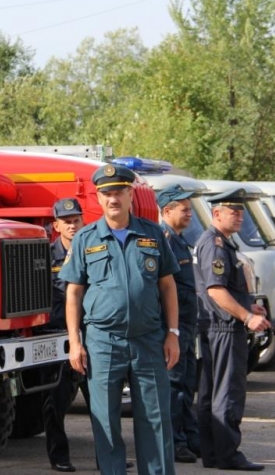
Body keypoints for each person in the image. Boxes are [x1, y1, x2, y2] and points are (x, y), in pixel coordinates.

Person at [60, 163, 181, 475]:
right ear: (98, 198)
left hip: (149, 340)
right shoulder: (86, 238)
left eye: (118, 192)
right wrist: (75, 343)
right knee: (106, 422)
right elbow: (73, 294)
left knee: (155, 419)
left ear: (130, 195)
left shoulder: (153, 234)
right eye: (106, 193)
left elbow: (167, 286)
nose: (113, 199)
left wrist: (173, 333)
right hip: (103, 342)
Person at [194, 188, 271, 472]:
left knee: (211, 392)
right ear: (217, 214)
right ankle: (228, 456)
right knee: (227, 392)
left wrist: (250, 308)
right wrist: (246, 317)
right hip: (223, 327)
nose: (240, 216)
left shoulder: (220, 242)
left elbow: (225, 288)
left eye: (241, 212)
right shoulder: (215, 244)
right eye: (233, 212)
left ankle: (214, 454)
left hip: (219, 325)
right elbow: (215, 290)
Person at [156, 184, 201, 464]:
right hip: (172, 326)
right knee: (173, 387)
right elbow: (162, 289)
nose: (190, 215)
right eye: (185, 210)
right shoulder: (164, 240)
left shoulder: (179, 240)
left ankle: (189, 437)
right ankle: (174, 442)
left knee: (187, 383)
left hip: (186, 325)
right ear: (167, 210)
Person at [42, 197, 85, 473]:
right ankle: (59, 456)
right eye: (66, 221)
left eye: (76, 220)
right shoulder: (46, 256)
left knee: (100, 400)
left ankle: (108, 455)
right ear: (56, 225)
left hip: (88, 334)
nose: (72, 225)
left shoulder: (92, 251)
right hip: (57, 334)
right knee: (55, 401)